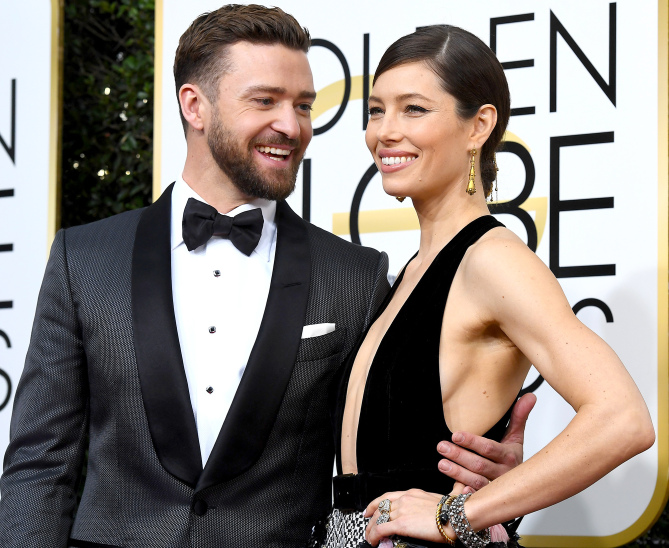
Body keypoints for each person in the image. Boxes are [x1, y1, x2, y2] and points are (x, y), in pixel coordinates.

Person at [0, 6, 531, 548]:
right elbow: (41, 463)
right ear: (195, 106)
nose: (292, 125)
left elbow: (381, 446)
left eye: (303, 105)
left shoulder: (355, 276)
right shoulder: (83, 258)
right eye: (265, 100)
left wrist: (484, 487)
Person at [316, 25, 655, 548]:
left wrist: (459, 513)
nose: (385, 131)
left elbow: (622, 419)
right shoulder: (412, 270)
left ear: (479, 126)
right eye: (376, 110)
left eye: (414, 109)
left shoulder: (493, 261)